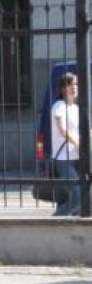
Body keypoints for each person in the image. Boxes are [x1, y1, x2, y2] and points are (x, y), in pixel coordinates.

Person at [51, 72, 81, 216]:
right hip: (64, 160)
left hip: (77, 158)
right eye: (70, 84)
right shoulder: (59, 106)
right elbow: (62, 129)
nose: (74, 87)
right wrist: (78, 143)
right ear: (63, 88)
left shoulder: (76, 109)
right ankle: (52, 224)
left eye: (75, 84)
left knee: (81, 199)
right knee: (77, 199)